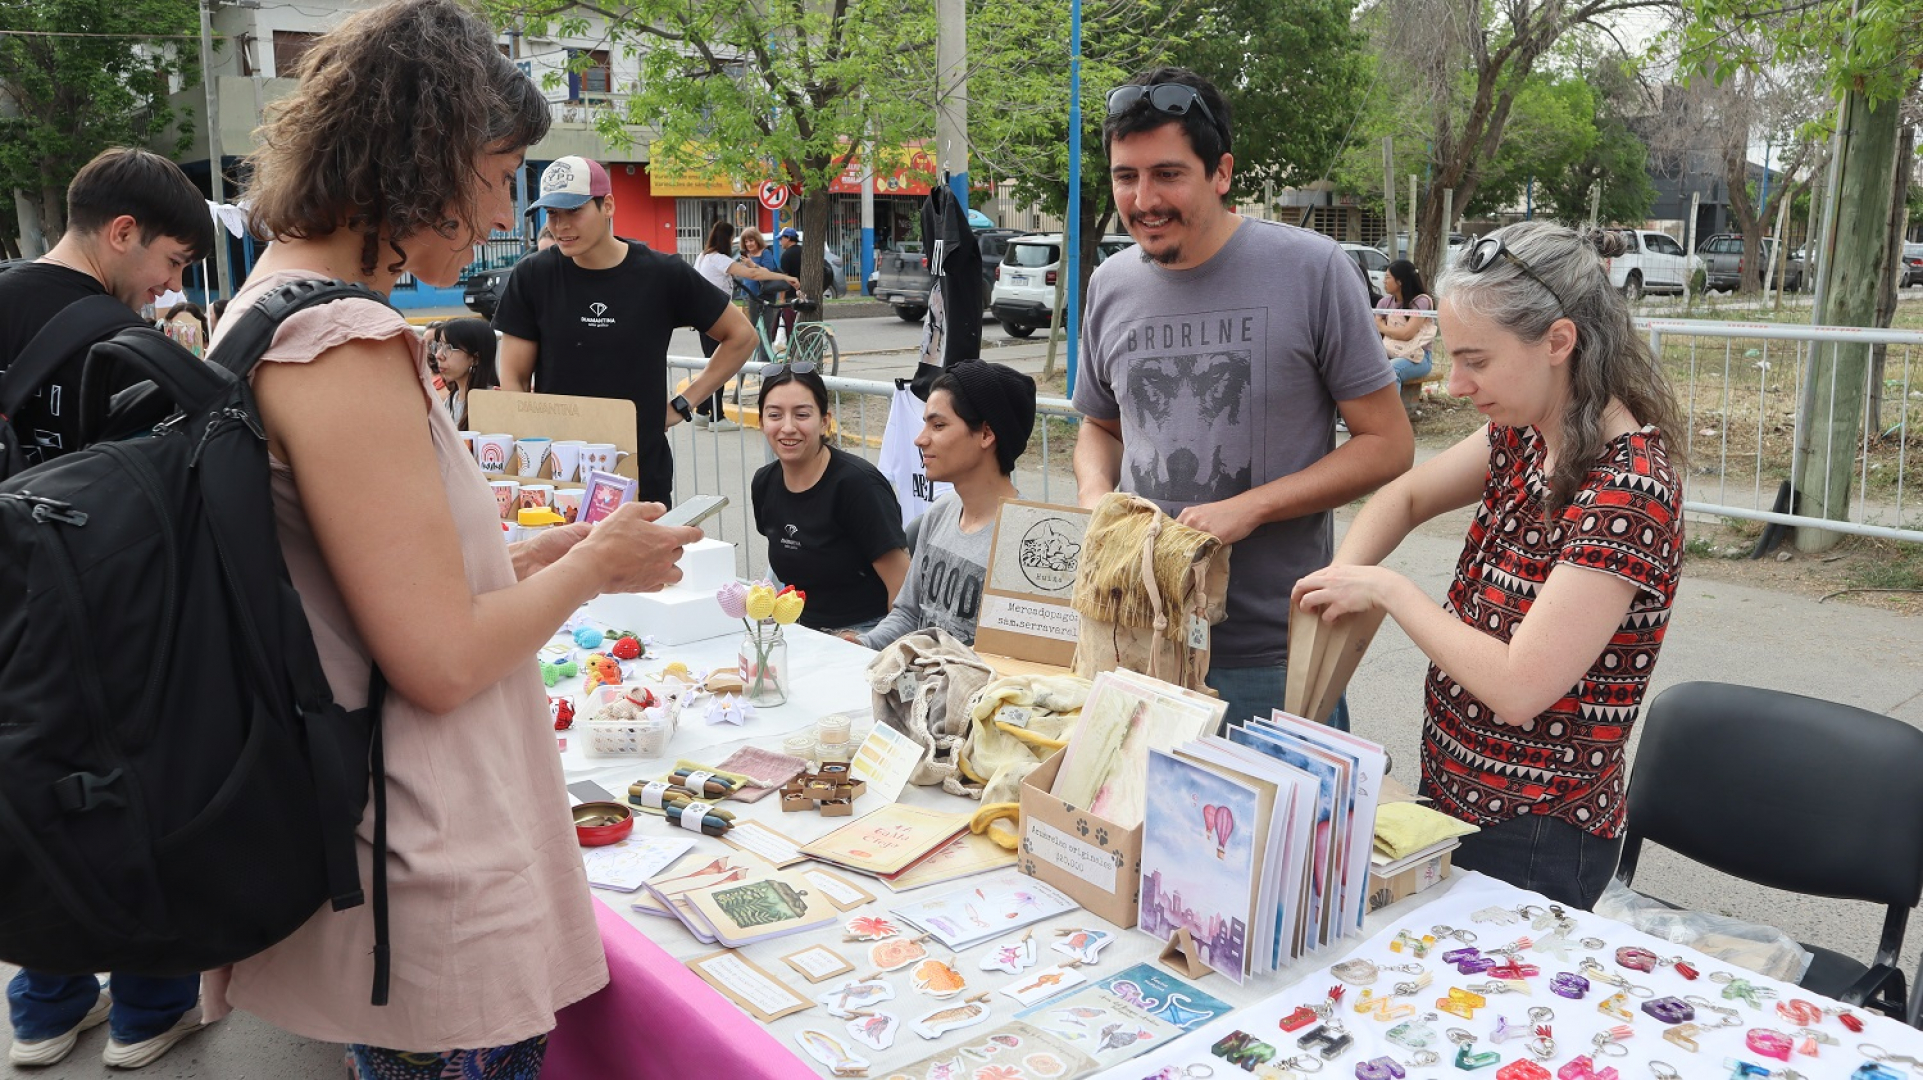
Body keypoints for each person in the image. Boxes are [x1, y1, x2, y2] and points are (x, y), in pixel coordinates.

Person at [197, 2, 702, 1074]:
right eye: (503, 165)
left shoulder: (272, 306)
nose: (503, 205)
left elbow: (367, 586)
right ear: (431, 153)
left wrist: (536, 557)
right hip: (426, 870)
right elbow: (439, 660)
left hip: (396, 846)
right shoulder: (339, 338)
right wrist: (603, 564)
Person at [1292, 222, 1685, 908]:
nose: (1453, 384)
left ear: (1557, 342)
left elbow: (1517, 687)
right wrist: (1339, 581)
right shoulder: (1525, 435)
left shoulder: (1628, 489)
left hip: (1537, 829)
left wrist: (1385, 589)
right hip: (1457, 789)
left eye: (1475, 360)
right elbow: (1405, 494)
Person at [1071, 67, 1414, 732]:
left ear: (1221, 172)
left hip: (1270, 653)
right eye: (1125, 176)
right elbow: (1100, 425)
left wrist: (1250, 508)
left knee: (1283, 839)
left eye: (1167, 173)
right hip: (1135, 639)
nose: (1143, 198)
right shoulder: (1109, 283)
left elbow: (1387, 444)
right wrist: (1096, 499)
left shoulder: (1313, 270)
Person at [0, 146, 213, 1070]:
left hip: (8, 618)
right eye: (170, 264)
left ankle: (45, 1008)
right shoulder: (118, 344)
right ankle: (146, 1009)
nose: (167, 288)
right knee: (139, 797)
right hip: (108, 615)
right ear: (122, 234)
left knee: (26, 792)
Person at [493, 154, 759, 504]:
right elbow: (513, 378)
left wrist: (683, 403)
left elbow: (742, 337)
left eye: (574, 211)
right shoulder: (533, 275)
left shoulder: (662, 274)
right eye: (553, 214)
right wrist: (534, 459)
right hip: (558, 475)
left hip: (640, 471)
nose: (561, 226)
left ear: (608, 205)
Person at [852, 362, 1034, 650]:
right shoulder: (939, 513)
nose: (920, 439)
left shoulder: (1024, 539)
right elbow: (908, 614)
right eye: (925, 423)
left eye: (938, 425)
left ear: (987, 434)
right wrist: (861, 644)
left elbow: (1017, 657)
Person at [751, 363, 908, 633]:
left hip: (865, 633)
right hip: (800, 631)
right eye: (775, 415)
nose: (787, 427)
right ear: (761, 422)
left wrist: (868, 645)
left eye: (802, 414)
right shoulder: (765, 483)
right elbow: (782, 565)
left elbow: (903, 592)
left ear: (825, 421)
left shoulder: (858, 485)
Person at [691, 219, 795, 429]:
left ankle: (703, 411)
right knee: (720, 365)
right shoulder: (719, 259)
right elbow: (754, 274)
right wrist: (786, 278)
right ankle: (716, 417)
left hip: (701, 317)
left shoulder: (703, 257)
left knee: (710, 363)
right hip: (715, 317)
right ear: (727, 239)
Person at [1376, 258, 1437, 387]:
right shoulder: (1384, 302)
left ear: (1400, 281)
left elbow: (1406, 334)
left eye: (1387, 277)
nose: (1384, 281)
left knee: (1391, 371)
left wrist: (1383, 327)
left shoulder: (1421, 301)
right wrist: (1383, 328)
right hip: (1389, 353)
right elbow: (1375, 328)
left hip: (1418, 357)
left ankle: (1390, 408)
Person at [433, 317, 499, 429]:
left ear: (475, 358)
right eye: (439, 346)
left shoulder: (493, 403)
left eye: (449, 348)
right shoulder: (451, 400)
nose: (438, 355)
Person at [737, 226, 786, 360]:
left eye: (751, 240)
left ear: (757, 240)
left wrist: (751, 264)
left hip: (764, 297)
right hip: (749, 296)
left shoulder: (765, 253)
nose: (749, 244)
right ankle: (748, 362)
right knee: (750, 332)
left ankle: (764, 363)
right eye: (746, 241)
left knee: (766, 331)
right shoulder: (746, 256)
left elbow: (768, 272)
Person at [772, 226, 804, 343]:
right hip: (804, 294)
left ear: (788, 238)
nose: (780, 242)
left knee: (790, 328)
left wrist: (782, 299)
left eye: (782, 239)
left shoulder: (787, 255)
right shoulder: (803, 251)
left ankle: (793, 349)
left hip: (791, 296)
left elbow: (785, 278)